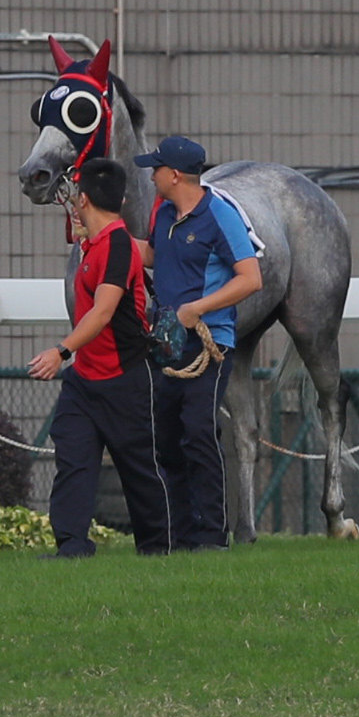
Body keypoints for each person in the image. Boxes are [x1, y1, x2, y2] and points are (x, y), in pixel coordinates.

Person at [27, 159, 173, 558]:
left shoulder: (117, 245)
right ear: (122, 199)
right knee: (73, 459)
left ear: (85, 199)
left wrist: (61, 351)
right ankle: (72, 546)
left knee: (139, 468)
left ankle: (159, 547)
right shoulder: (93, 243)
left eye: (76, 195)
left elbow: (103, 311)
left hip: (124, 378)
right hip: (86, 380)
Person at [132, 136, 261, 551]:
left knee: (198, 431)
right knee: (167, 436)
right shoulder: (165, 214)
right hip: (168, 342)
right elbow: (151, 256)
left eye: (156, 168)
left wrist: (197, 309)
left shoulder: (219, 215)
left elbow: (250, 277)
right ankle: (181, 533)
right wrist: (95, 232)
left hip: (209, 345)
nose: (150, 175)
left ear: (174, 174)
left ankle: (210, 536)